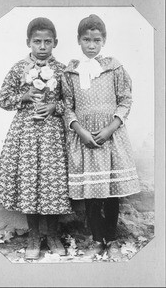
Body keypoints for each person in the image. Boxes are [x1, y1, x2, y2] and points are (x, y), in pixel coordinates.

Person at [0, 17, 72, 260]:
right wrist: (24, 96)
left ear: (55, 43)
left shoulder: (62, 70)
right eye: (37, 41)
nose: (42, 46)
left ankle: (53, 234)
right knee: (30, 182)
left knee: (53, 183)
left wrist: (54, 107)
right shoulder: (19, 68)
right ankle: (34, 235)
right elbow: (3, 100)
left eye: (48, 41)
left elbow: (71, 101)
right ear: (28, 42)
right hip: (26, 135)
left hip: (52, 136)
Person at [62, 14, 141, 259]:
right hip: (85, 140)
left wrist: (109, 128)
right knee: (92, 195)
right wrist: (79, 130)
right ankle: (97, 239)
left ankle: (113, 240)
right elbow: (66, 105)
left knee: (111, 193)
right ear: (78, 40)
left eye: (96, 39)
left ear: (104, 40)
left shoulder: (114, 68)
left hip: (111, 137)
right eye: (86, 39)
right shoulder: (71, 72)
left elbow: (126, 100)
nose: (91, 45)